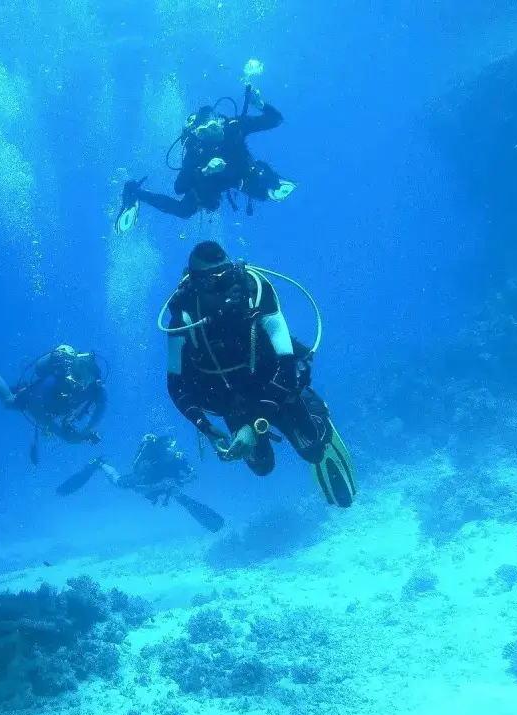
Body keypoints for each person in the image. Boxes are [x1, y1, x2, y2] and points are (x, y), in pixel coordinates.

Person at [158, 241, 356, 508]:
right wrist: (206, 427)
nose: (222, 289)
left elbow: (287, 364)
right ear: (195, 283)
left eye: (225, 277)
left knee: (313, 450)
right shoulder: (183, 314)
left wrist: (254, 426)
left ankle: (314, 410)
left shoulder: (256, 292)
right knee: (262, 467)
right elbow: (176, 385)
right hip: (233, 400)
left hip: (275, 386)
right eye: (211, 283)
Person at [114, 85, 296, 233]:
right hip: (212, 183)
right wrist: (204, 171)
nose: (209, 136)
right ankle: (135, 193)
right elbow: (179, 188)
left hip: (239, 173)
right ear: (196, 134)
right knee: (185, 210)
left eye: (213, 128)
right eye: (202, 132)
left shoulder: (234, 127)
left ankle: (272, 181)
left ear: (221, 122)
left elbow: (275, 119)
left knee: (261, 191)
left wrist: (260, 104)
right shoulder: (195, 149)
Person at [0, 328, 106, 463]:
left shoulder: (92, 390)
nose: (80, 381)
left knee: (21, 398)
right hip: (39, 399)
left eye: (86, 376)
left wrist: (86, 432)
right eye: (81, 373)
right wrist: (73, 432)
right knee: (8, 401)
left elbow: (99, 408)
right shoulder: (72, 383)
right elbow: (37, 408)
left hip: (45, 397)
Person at [56, 434, 226, 532]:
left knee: (179, 497)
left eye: (173, 451)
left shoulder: (176, 461)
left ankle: (212, 522)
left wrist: (181, 480)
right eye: (169, 451)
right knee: (118, 482)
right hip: (146, 482)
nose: (173, 452)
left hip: (161, 484)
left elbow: (191, 475)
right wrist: (160, 486)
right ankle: (100, 463)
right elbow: (139, 488)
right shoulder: (149, 465)